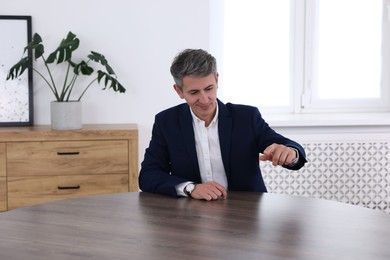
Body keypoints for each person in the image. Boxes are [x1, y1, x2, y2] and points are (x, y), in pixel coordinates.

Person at [139, 49, 307, 201]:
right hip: (190, 216)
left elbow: (288, 147)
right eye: (194, 92)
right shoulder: (166, 122)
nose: (204, 99)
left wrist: (291, 153)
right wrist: (191, 188)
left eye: (209, 88)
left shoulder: (246, 117)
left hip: (245, 213)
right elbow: (148, 176)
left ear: (217, 80)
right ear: (179, 91)